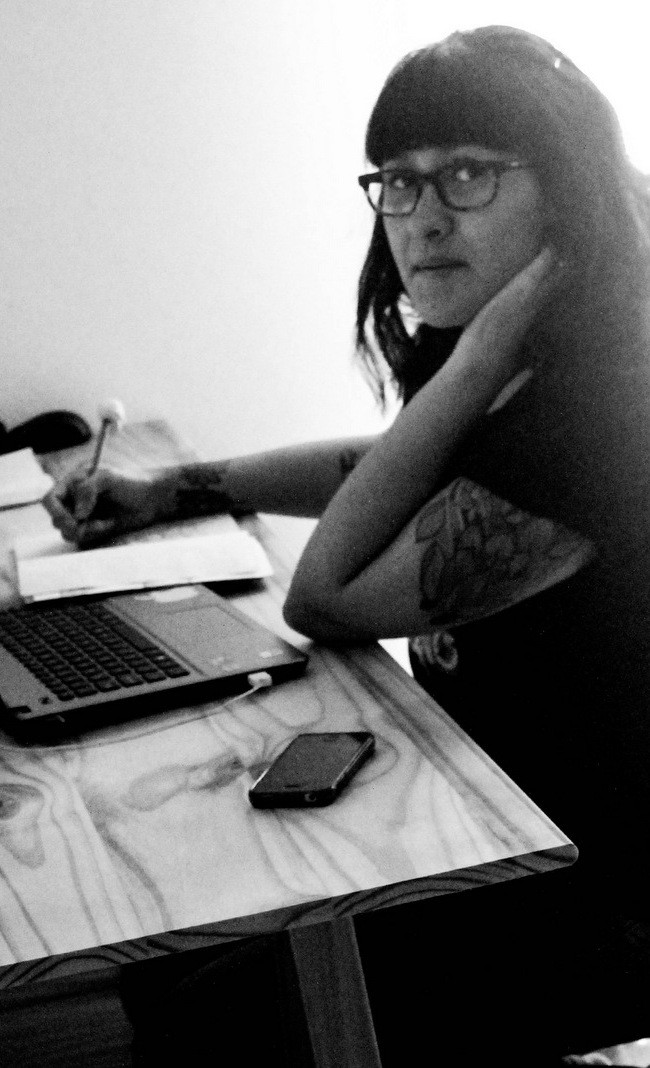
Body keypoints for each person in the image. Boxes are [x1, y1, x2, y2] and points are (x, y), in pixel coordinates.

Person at [46, 25, 650, 1066]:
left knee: (211, 1018)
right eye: (399, 181)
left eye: (467, 173)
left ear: (568, 191)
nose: (422, 217)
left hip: (596, 895)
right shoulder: (518, 355)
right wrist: (166, 491)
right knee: (163, 961)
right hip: (482, 806)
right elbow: (385, 472)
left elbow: (322, 597)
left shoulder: (596, 413)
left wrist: (471, 367)